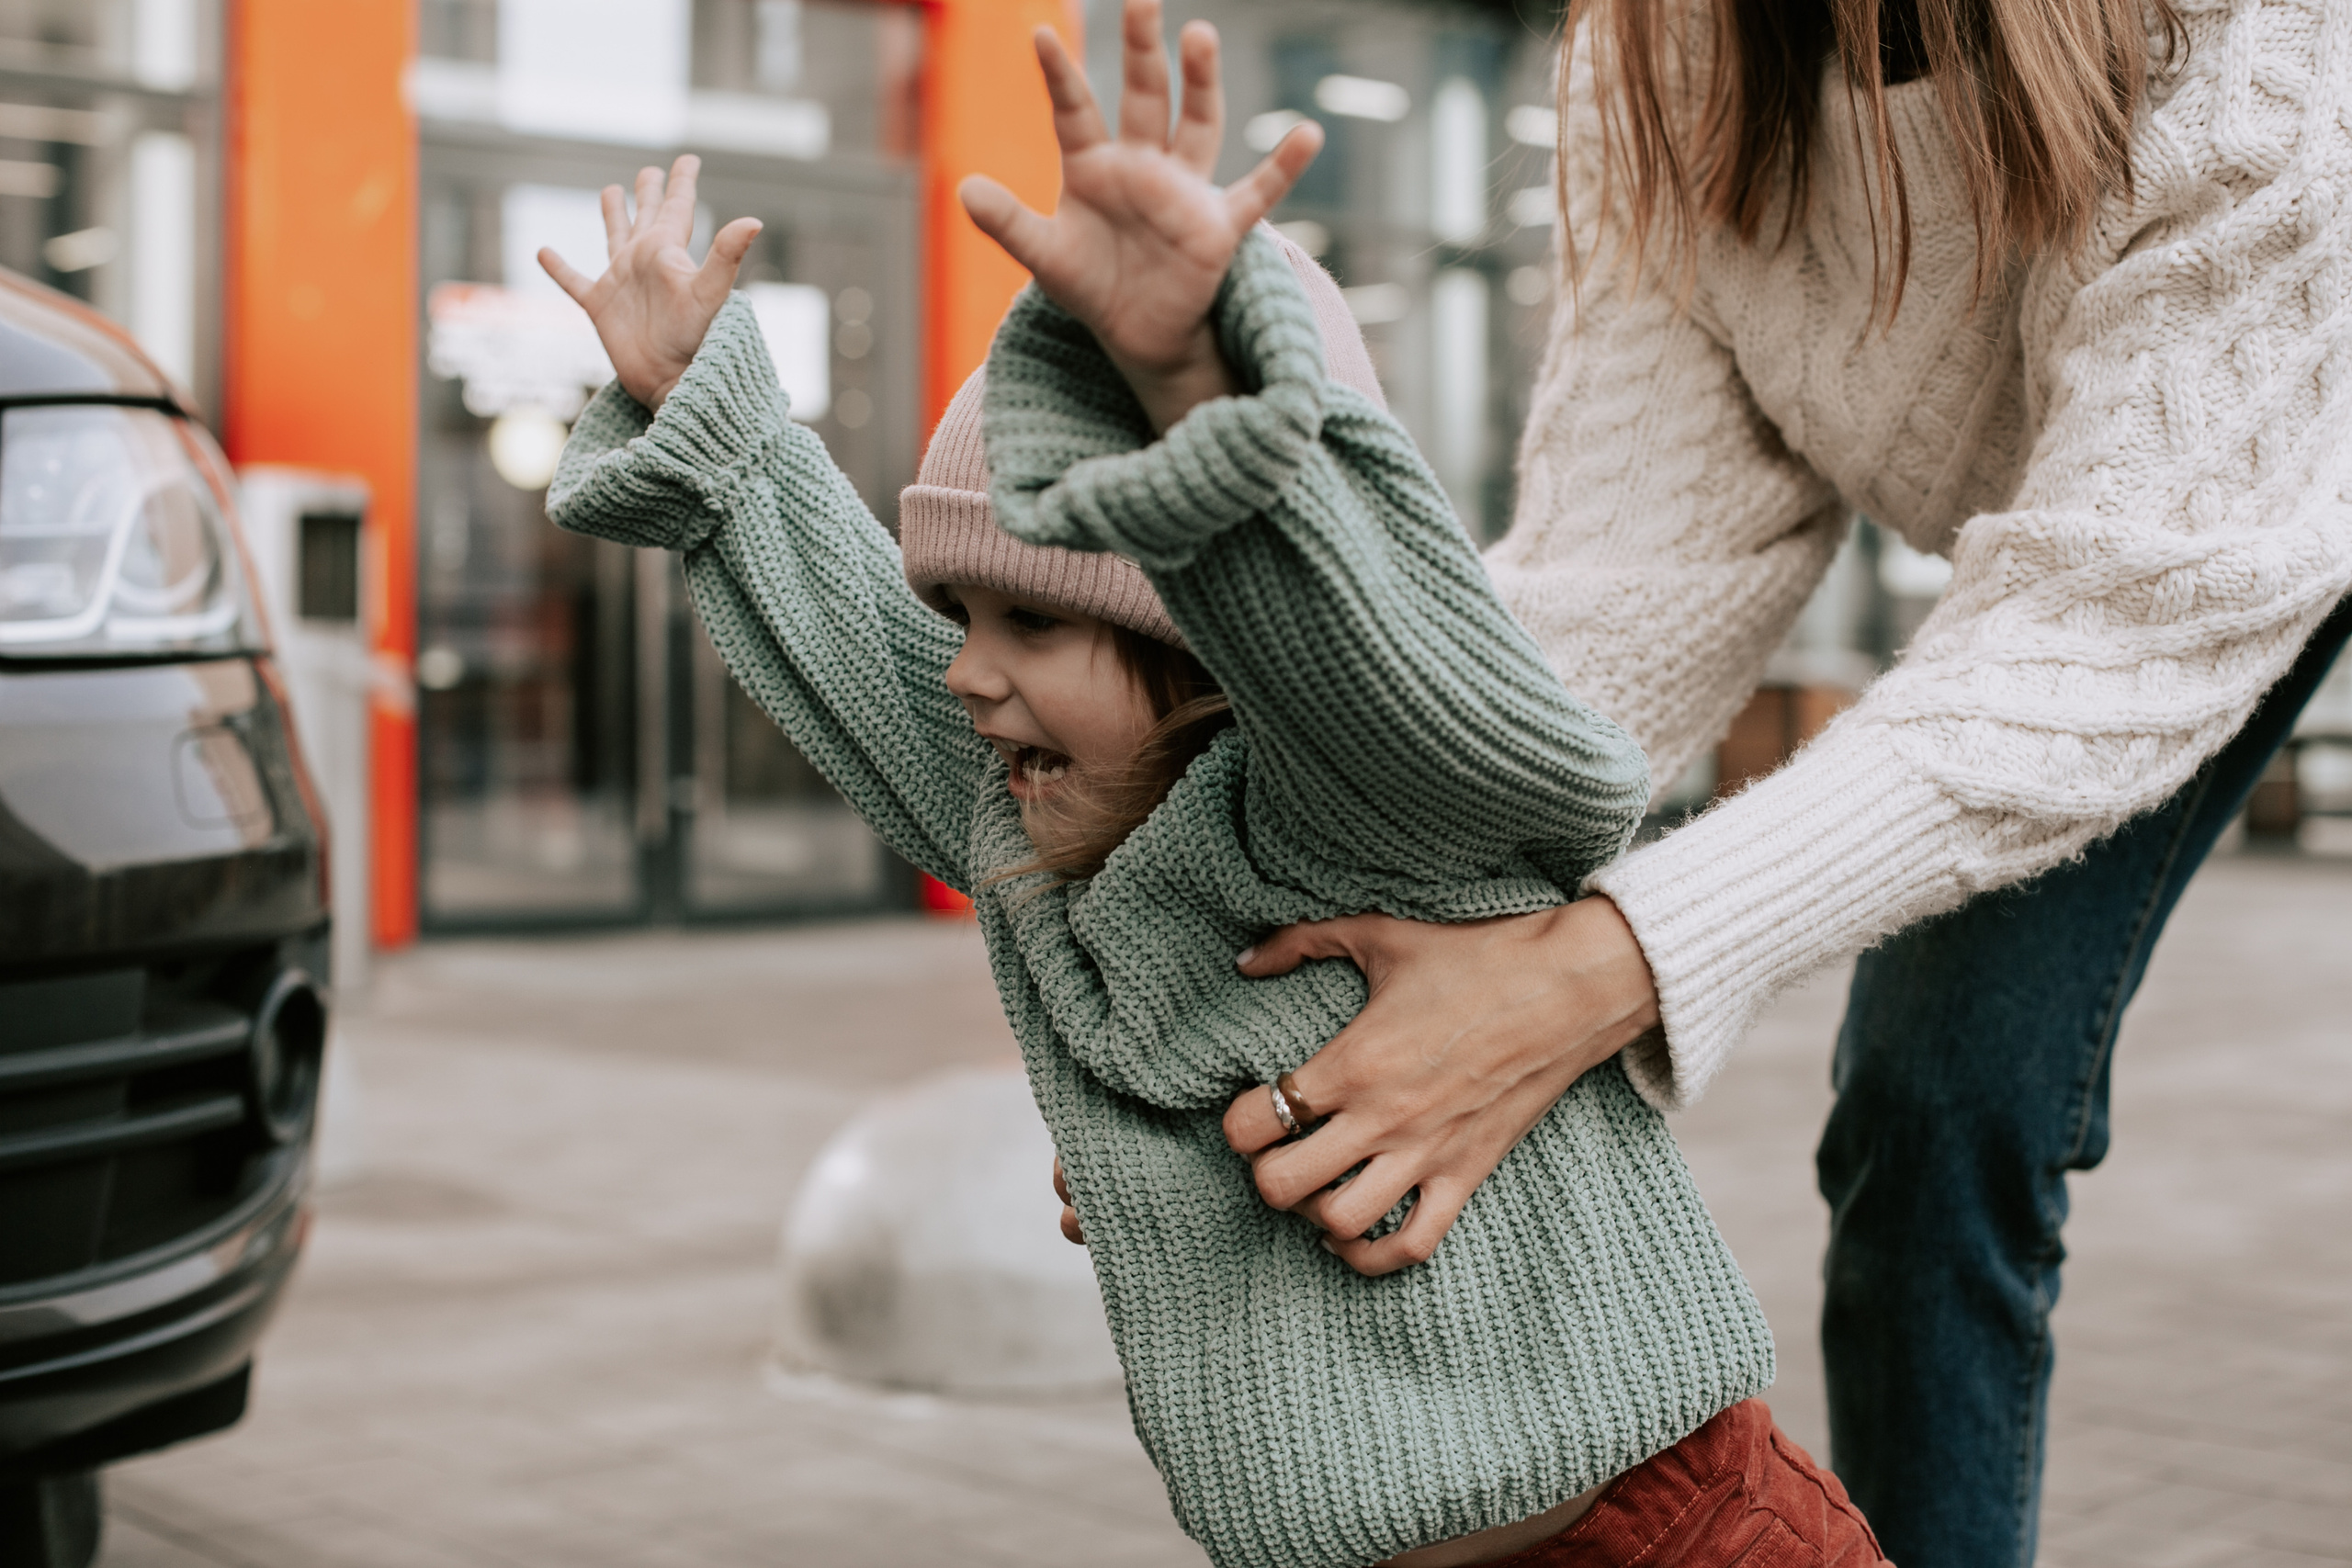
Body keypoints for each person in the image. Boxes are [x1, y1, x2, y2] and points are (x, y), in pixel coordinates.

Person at [537, 9, 1890, 1564]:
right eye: (962, 618)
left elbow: (1360, 644)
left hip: (1673, 1539)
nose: (968, 675)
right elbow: (850, 638)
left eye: (1032, 620)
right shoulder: (1046, 835)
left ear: (1205, 648)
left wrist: (1203, 406)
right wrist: (706, 411)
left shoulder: (1365, 806)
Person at [1208, 2, 2352, 1565]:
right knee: (1930, 1114)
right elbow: (1622, 584)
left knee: (1949, 1082)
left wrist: (1598, 970)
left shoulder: (2254, 42)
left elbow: (2113, 612)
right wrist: (1241, 960)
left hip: (2235, 490)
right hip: (2065, 555)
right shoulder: (1657, 55)